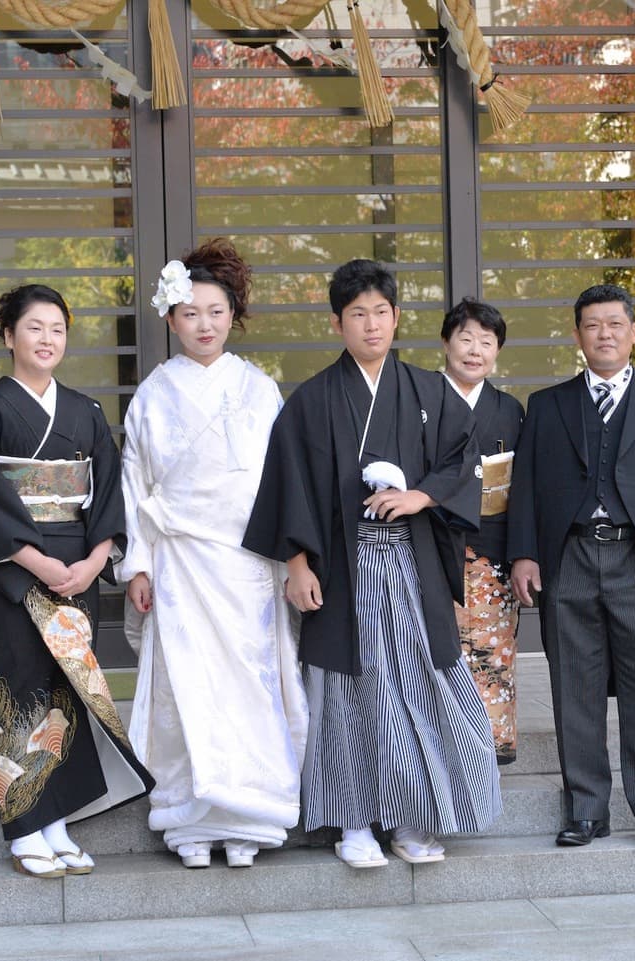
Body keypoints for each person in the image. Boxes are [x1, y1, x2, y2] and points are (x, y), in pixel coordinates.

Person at [242, 259, 502, 868]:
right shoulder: (310, 402)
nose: (371, 324)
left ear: (397, 317)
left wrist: (422, 495)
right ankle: (353, 822)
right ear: (337, 322)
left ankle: (413, 819)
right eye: (357, 314)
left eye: (381, 312)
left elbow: (465, 460)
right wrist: (298, 564)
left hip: (410, 568)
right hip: (342, 570)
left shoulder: (428, 391)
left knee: (420, 688)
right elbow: (291, 485)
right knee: (347, 693)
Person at [0, 284, 153, 879]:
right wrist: (38, 564)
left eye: (57, 329)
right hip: (16, 574)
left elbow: (109, 495)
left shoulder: (86, 413)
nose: (47, 339)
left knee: (67, 696)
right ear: (9, 336)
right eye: (34, 328)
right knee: (22, 691)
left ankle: (57, 820)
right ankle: (24, 829)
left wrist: (95, 561)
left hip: (77, 572)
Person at [118, 240, 306, 869]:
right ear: (170, 319)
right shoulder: (152, 393)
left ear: (234, 316)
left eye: (216, 311)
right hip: (180, 562)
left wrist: (290, 558)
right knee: (186, 688)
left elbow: (282, 480)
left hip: (246, 562)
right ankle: (187, 819)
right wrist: (138, 562)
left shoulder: (259, 388)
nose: (204, 324)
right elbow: (135, 482)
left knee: (250, 685)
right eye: (191, 313)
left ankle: (251, 817)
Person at [508, 283, 635, 850]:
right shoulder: (547, 406)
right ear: (577, 336)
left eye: (615, 324)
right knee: (573, 683)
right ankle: (584, 810)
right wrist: (524, 552)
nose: (604, 334)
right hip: (569, 555)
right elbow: (524, 486)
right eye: (592, 325)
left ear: (634, 332)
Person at [440, 297, 525, 764]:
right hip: (430, 549)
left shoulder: (509, 410)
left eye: (486, 342)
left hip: (492, 551)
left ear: (497, 351)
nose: (475, 350)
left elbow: (524, 489)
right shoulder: (420, 400)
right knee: (435, 656)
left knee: (494, 654)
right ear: (446, 343)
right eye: (466, 338)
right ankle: (444, 746)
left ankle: (490, 746)